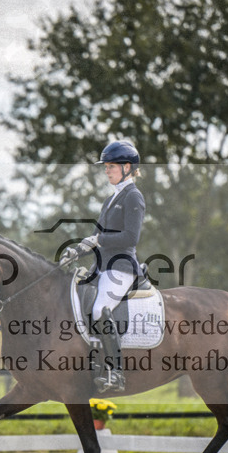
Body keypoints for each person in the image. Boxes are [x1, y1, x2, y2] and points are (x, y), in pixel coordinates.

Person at [60, 140, 146, 393]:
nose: (107, 170)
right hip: (103, 267)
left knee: (100, 309)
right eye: (106, 166)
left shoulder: (133, 196)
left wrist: (98, 239)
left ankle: (116, 371)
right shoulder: (111, 199)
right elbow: (95, 237)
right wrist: (77, 249)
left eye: (111, 166)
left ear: (127, 167)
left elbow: (131, 237)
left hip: (122, 267)